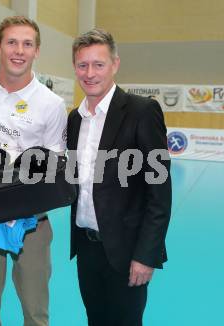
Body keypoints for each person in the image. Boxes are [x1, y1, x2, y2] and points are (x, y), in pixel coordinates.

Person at [0, 16, 67, 326]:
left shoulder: (52, 104)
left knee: (36, 313)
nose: (18, 50)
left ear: (36, 51)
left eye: (27, 44)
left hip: (32, 220)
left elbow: (54, 165)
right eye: (11, 42)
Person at [67, 28, 172, 326]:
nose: (89, 73)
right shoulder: (75, 119)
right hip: (87, 248)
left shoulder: (142, 111)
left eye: (98, 64)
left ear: (115, 64)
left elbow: (159, 194)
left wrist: (146, 255)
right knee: (95, 320)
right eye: (82, 65)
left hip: (127, 251)